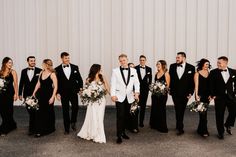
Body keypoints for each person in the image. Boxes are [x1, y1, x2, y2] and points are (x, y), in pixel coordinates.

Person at [110, 54, 140, 144]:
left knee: (127, 116)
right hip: (119, 97)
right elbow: (113, 84)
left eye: (124, 60)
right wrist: (112, 95)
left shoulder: (134, 71)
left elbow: (137, 83)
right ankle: (119, 135)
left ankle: (123, 133)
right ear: (119, 61)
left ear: (127, 60)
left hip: (130, 97)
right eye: (121, 60)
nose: (123, 62)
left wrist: (137, 93)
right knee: (120, 116)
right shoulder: (115, 71)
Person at [77, 64, 109, 143]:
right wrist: (85, 94)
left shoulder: (102, 77)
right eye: (100, 68)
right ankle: (91, 133)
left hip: (101, 100)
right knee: (92, 116)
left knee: (99, 116)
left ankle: (98, 134)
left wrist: (112, 96)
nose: (101, 70)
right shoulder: (88, 79)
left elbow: (107, 87)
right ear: (96, 69)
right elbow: (86, 89)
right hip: (92, 101)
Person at [55, 52, 83, 134]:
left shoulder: (75, 67)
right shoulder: (57, 69)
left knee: (75, 107)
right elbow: (56, 83)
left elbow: (79, 79)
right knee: (65, 110)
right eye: (66, 58)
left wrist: (80, 88)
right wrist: (57, 93)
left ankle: (73, 122)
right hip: (63, 93)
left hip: (74, 92)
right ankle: (66, 128)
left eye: (68, 58)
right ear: (62, 58)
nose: (67, 59)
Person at [209, 56, 236, 139]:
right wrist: (213, 95)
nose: (218, 64)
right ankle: (221, 132)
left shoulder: (233, 72)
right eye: (217, 62)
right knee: (219, 115)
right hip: (219, 97)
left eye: (219, 63)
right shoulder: (213, 72)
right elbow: (211, 85)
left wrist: (235, 93)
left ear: (225, 63)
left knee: (234, 111)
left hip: (231, 97)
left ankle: (228, 124)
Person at [169, 52, 195, 135]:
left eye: (178, 58)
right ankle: (180, 127)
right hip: (175, 93)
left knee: (182, 110)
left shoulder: (191, 67)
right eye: (176, 57)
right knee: (177, 109)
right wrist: (169, 89)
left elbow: (192, 82)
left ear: (184, 58)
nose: (176, 59)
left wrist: (191, 92)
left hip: (185, 94)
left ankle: (179, 125)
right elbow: (170, 79)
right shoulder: (172, 66)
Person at [32, 59, 57, 137]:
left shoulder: (52, 74)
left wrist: (53, 97)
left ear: (46, 64)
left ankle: (49, 128)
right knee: (39, 112)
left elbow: (56, 87)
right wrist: (34, 93)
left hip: (49, 95)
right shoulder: (41, 72)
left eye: (43, 63)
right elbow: (38, 83)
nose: (42, 65)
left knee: (48, 112)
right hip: (40, 95)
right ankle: (39, 129)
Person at [18, 56, 41, 135]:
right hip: (26, 95)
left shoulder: (39, 70)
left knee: (35, 112)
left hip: (36, 94)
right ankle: (33, 128)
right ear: (28, 61)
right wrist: (20, 94)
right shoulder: (23, 71)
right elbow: (21, 83)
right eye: (31, 61)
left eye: (34, 60)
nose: (33, 62)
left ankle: (33, 129)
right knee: (30, 112)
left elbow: (41, 83)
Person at [150, 60, 170, 133]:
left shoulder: (166, 74)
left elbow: (168, 86)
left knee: (161, 109)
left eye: (159, 64)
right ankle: (155, 125)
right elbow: (155, 83)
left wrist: (161, 88)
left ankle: (162, 127)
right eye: (157, 64)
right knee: (155, 109)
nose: (157, 65)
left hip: (163, 95)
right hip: (155, 95)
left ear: (163, 65)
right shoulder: (156, 73)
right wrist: (154, 88)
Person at [0, 57, 17, 136]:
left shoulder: (13, 72)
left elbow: (16, 84)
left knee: (9, 110)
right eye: (9, 63)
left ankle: (5, 128)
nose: (11, 64)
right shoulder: (0, 72)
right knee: (2, 111)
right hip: (1, 94)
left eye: (11, 63)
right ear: (5, 63)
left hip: (9, 94)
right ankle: (12, 124)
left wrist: (16, 94)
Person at [194, 59, 211, 137]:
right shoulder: (197, 74)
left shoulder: (209, 73)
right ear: (203, 64)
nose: (207, 65)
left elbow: (211, 86)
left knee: (205, 113)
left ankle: (200, 129)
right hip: (200, 96)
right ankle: (204, 131)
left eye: (208, 64)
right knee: (202, 113)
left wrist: (211, 95)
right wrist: (196, 95)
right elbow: (196, 86)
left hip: (207, 96)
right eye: (206, 64)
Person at [135, 55, 152, 128]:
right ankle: (135, 122)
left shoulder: (149, 69)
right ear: (139, 60)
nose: (142, 61)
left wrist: (148, 89)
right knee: (136, 106)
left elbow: (150, 80)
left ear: (145, 61)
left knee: (143, 106)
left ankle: (141, 122)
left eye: (143, 60)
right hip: (137, 91)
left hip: (145, 91)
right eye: (141, 60)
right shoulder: (135, 68)